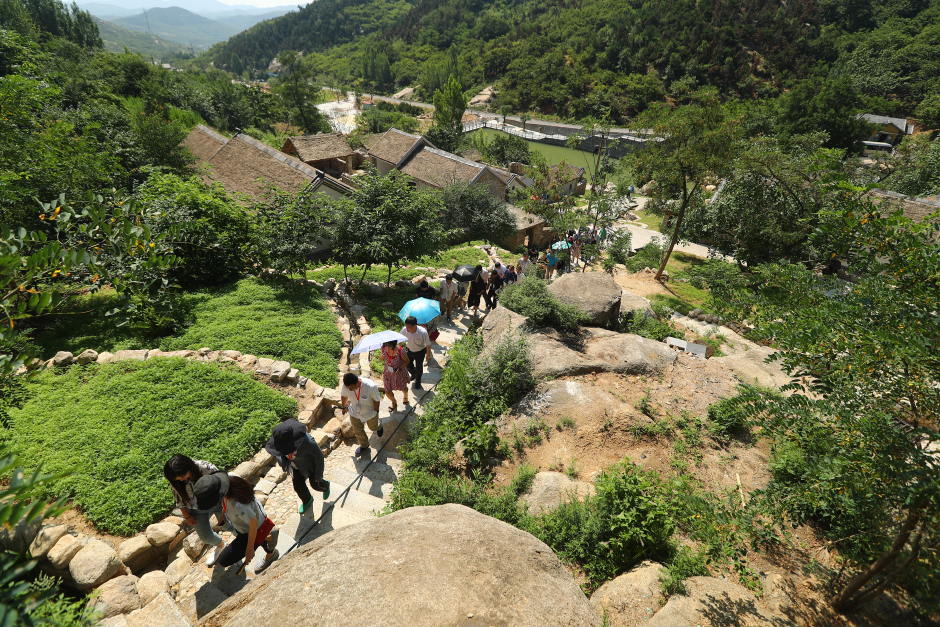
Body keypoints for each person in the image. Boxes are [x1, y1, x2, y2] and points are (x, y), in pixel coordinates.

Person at [193, 472, 279, 572]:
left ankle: (271, 552)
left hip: (255, 528)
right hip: (251, 520)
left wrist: (250, 550)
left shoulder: (237, 506)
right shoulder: (230, 480)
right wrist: (223, 515)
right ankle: (268, 536)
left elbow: (253, 524)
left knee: (225, 561)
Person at [164, 455, 232, 567]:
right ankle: (221, 544)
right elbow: (179, 500)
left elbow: (223, 485)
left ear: (190, 467)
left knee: (229, 526)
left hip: (217, 504)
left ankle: (246, 542)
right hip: (195, 509)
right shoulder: (176, 479)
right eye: (178, 478)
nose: (180, 480)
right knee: (205, 537)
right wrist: (187, 516)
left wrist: (225, 510)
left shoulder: (205, 468)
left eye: (182, 476)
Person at [265, 419, 330, 515]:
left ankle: (325, 486)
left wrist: (318, 475)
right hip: (295, 467)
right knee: (298, 487)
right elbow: (278, 453)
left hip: (310, 466)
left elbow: (319, 457)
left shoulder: (308, 442)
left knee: (316, 485)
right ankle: (307, 500)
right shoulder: (280, 440)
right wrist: (283, 462)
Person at [340, 372, 383, 457]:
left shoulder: (370, 386)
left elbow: (376, 400)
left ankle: (379, 425)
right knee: (357, 430)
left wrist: (376, 412)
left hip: (370, 412)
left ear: (358, 382)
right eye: (348, 388)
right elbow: (344, 395)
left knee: (373, 428)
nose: (350, 390)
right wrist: (344, 406)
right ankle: (364, 445)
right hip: (354, 412)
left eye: (352, 388)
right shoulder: (346, 386)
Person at [400, 315, 432, 390]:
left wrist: (428, 355)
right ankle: (414, 374)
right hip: (409, 350)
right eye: (406, 326)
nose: (407, 329)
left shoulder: (423, 332)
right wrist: (400, 351)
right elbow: (400, 340)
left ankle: (418, 381)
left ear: (414, 326)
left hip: (420, 352)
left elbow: (428, 344)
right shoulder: (404, 330)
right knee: (407, 365)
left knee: (419, 367)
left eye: (409, 327)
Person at [380, 339, 410, 410]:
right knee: (387, 390)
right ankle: (393, 401)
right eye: (386, 345)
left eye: (389, 345)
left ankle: (405, 395)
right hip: (388, 373)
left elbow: (407, 361)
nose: (387, 347)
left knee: (403, 388)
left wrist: (399, 369)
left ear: (394, 344)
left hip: (399, 373)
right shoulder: (384, 348)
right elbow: (381, 359)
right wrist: (381, 357)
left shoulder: (401, 351)